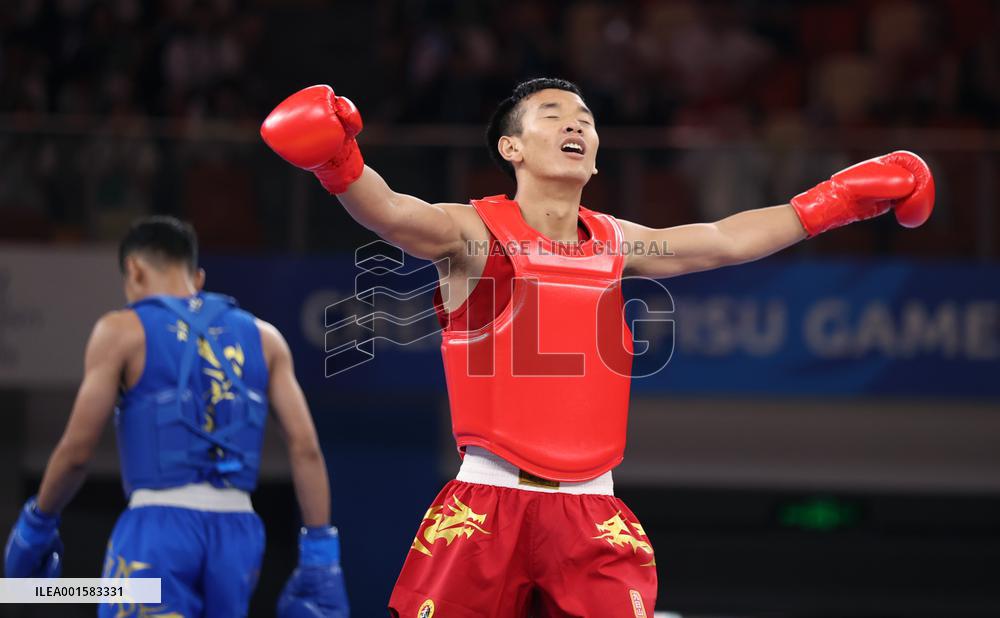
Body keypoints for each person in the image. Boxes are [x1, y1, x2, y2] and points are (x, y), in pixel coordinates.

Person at [260, 78, 934, 617]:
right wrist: (338, 161)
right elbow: (394, 213)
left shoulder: (618, 241)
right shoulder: (472, 233)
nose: (575, 123)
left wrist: (841, 199)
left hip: (593, 512)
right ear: (512, 149)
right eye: (552, 114)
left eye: (584, 116)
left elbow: (727, 239)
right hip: (486, 505)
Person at [3, 216, 350, 618]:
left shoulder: (122, 330)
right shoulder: (266, 338)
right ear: (197, 278)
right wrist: (320, 552)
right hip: (240, 533)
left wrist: (38, 522)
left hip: (158, 529)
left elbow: (78, 451)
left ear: (133, 270)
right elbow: (305, 448)